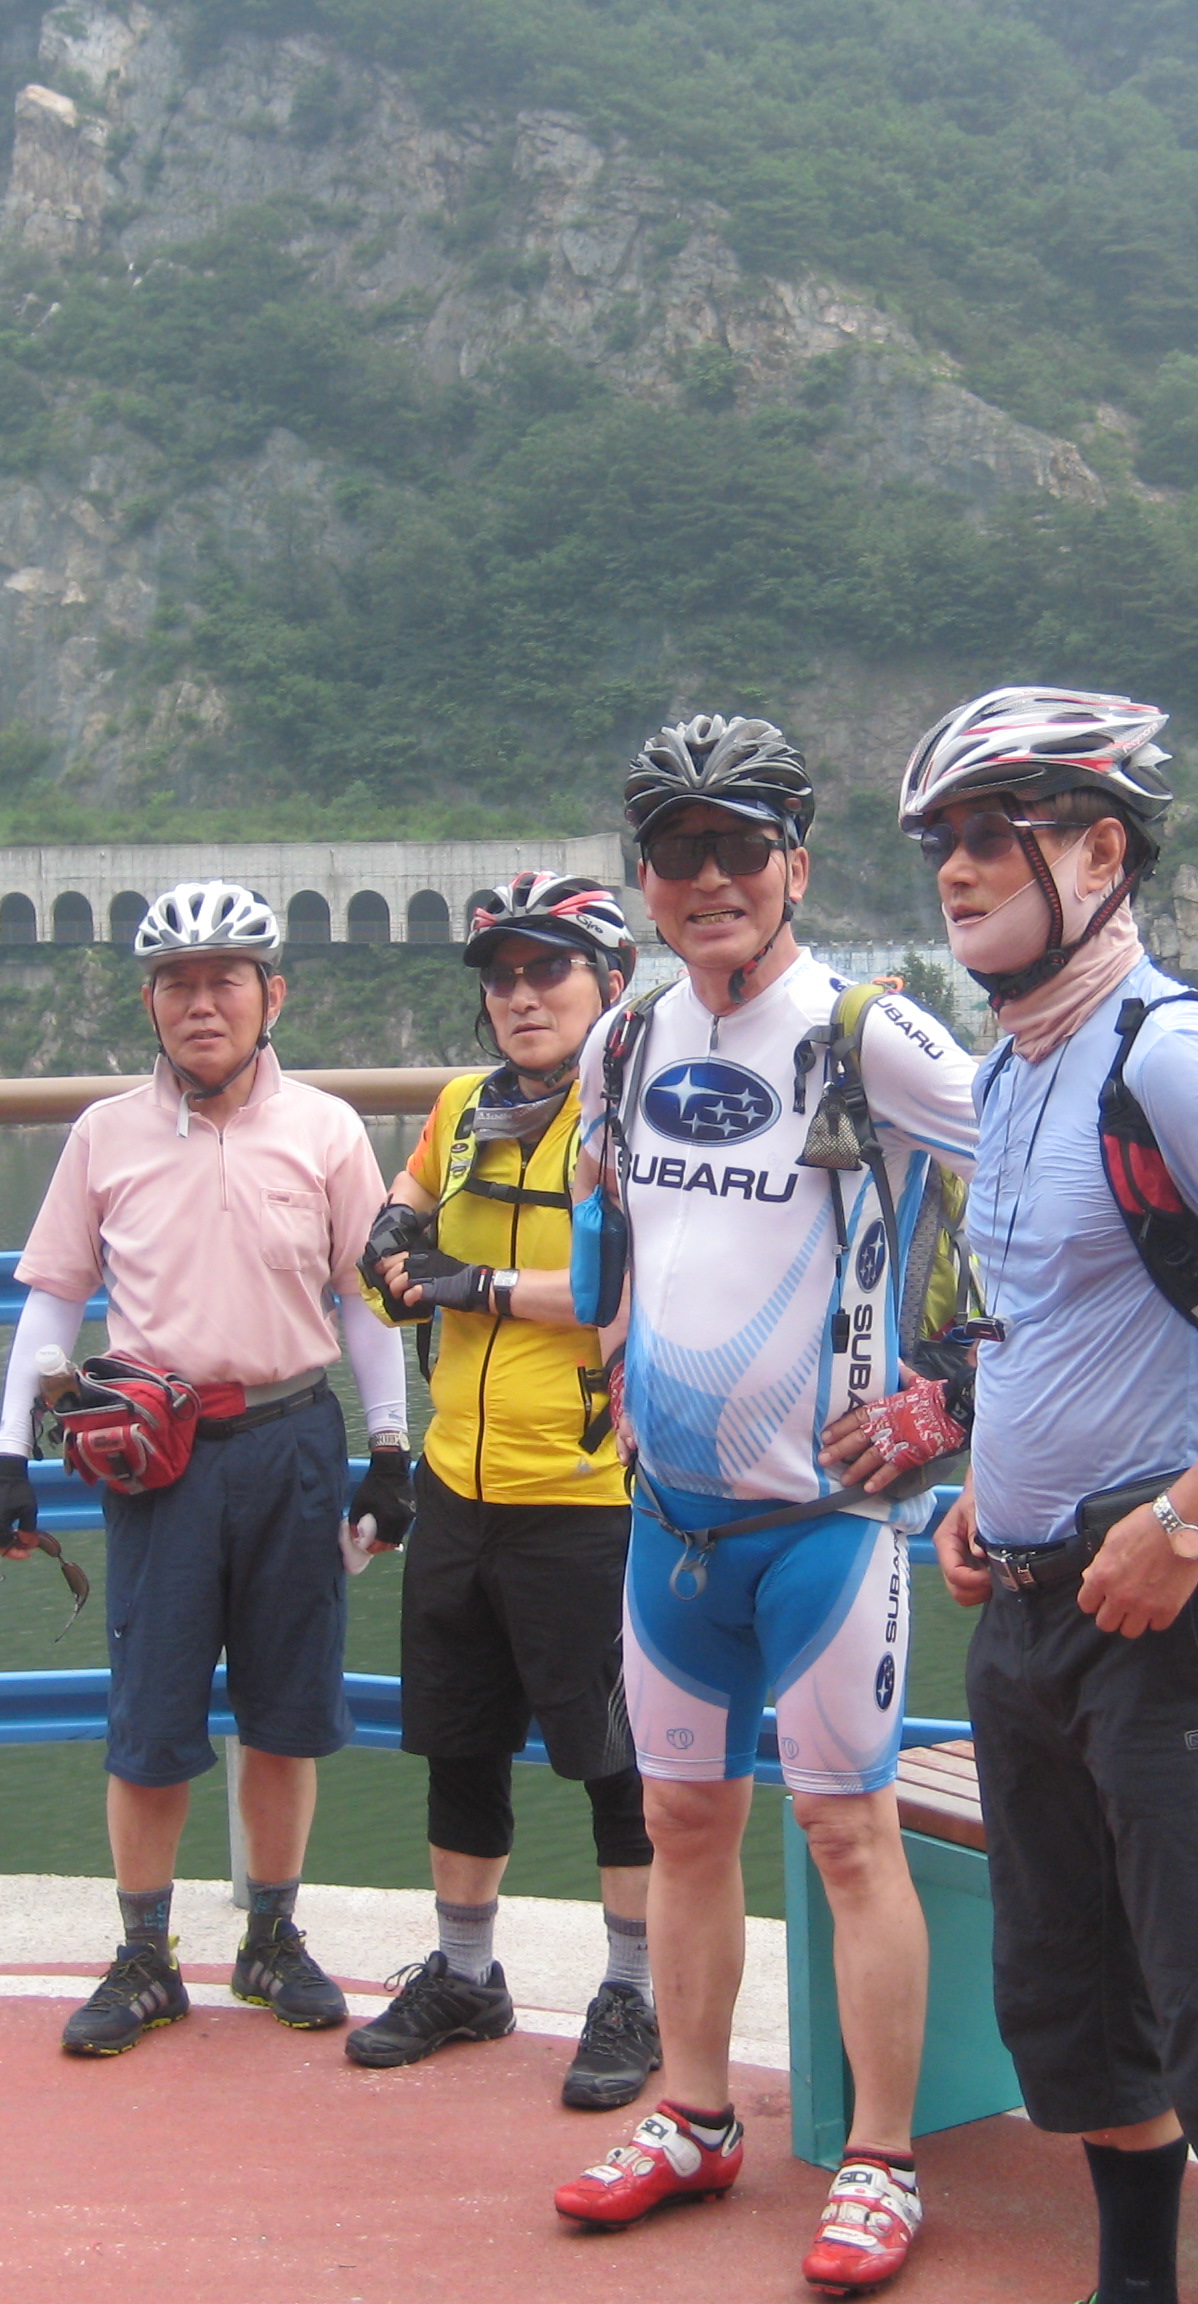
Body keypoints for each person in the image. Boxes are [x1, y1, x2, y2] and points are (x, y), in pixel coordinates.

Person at [859, 688, 1198, 2304]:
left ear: (1100, 853)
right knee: (1083, 2019)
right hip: (1034, 1609)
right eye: (942, 842)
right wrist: (985, 1491)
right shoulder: (1011, 1069)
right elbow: (1039, 1316)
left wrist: (1185, 1523)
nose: (957, 869)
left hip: (1175, 1617)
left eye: (993, 833)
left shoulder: (1166, 1051)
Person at [552, 715, 980, 2297]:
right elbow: (609, 1224)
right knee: (681, 1823)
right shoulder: (621, 1042)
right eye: (681, 851)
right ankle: (693, 2114)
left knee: (848, 1834)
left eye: (743, 846)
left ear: (797, 864)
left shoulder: (871, 1034)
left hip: (825, 1527)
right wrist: (615, 1357)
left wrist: (955, 1395)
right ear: (647, 879)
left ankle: (881, 2156)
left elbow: (1036, 1199)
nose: (712, 877)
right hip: (673, 1525)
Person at [0, 879, 418, 2057]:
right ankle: (145, 1957)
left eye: (225, 980)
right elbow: (54, 1299)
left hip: (292, 1442)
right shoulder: (104, 1135)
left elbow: (366, 1300)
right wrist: (10, 1455)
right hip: (157, 1459)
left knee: (286, 1714)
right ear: (150, 1005)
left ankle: (271, 1938)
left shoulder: (327, 1130)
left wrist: (390, 1452)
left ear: (273, 996)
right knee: (151, 1718)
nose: (200, 1004)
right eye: (176, 984)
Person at [342, 869, 664, 2112]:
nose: (522, 997)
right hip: (458, 1478)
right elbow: (401, 1224)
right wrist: (391, 1243)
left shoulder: (639, 1116)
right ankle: (468, 1976)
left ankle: (629, 1990)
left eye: (549, 971)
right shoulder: (464, 1105)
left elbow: (618, 1291)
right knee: (460, 1738)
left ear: (610, 983)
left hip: (588, 1490)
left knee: (614, 1758)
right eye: (502, 977)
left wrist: (465, 1284)